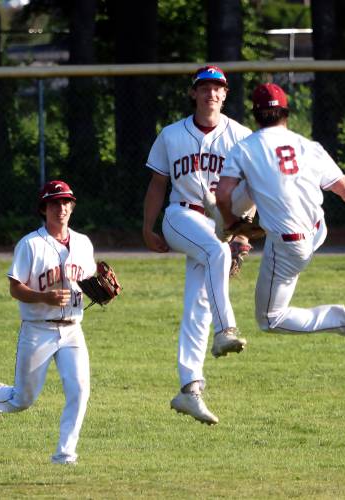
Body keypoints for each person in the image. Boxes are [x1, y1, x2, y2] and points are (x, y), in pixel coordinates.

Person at [215, 83, 345, 347]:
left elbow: (223, 193)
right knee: (254, 183)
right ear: (286, 112)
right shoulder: (308, 146)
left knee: (270, 319)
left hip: (288, 243)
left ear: (255, 115)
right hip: (317, 228)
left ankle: (341, 319)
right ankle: (230, 236)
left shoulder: (245, 148)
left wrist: (230, 223)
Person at [142, 65, 255, 425]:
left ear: (225, 94)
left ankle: (189, 388)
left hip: (219, 224)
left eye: (217, 88)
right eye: (204, 87)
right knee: (216, 252)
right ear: (193, 93)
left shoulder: (240, 135)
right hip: (179, 215)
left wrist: (239, 233)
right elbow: (158, 184)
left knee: (198, 303)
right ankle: (226, 332)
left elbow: (253, 188)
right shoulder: (171, 135)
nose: (211, 94)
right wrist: (147, 226)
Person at [0, 180, 97, 465]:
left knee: (80, 389)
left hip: (72, 330)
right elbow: (15, 288)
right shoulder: (30, 244)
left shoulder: (83, 243)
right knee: (23, 399)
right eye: (55, 203)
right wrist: (43, 296)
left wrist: (102, 293)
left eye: (66, 202)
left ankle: (65, 454)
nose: (62, 208)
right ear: (44, 208)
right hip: (38, 330)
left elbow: (91, 281)